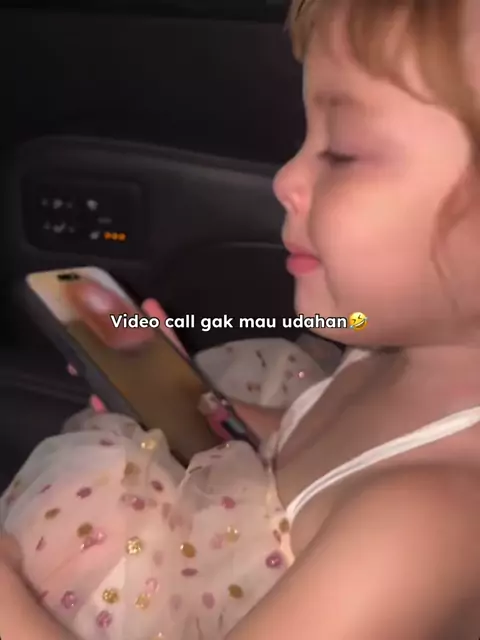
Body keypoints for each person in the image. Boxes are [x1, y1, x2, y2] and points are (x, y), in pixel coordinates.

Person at [3, 0, 480, 637]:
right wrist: (189, 401)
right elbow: (309, 447)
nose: (286, 178)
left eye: (342, 152)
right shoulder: (389, 346)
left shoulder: (421, 531)